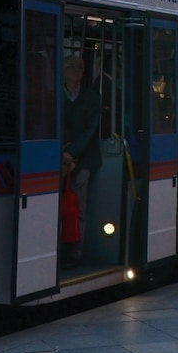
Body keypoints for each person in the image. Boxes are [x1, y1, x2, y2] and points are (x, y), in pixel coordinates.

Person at [61, 54, 101, 263]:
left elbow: (90, 130)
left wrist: (72, 153)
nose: (76, 70)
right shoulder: (56, 96)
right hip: (60, 157)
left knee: (78, 207)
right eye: (71, 66)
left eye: (80, 67)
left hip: (84, 159)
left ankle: (75, 253)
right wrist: (62, 152)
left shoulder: (91, 97)